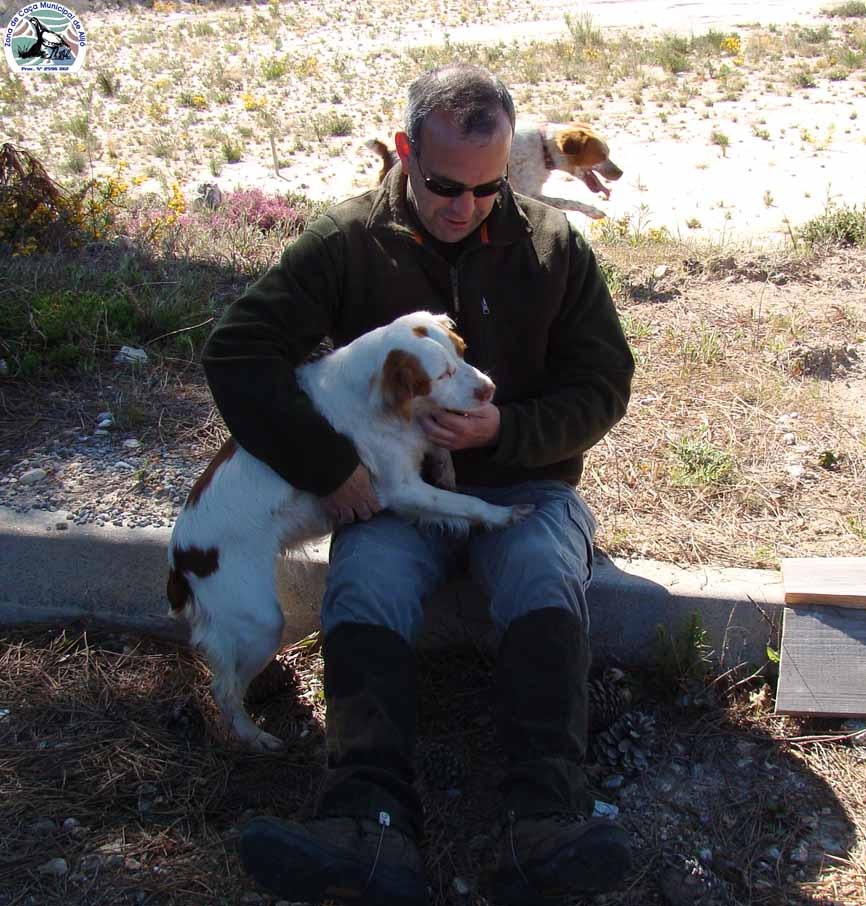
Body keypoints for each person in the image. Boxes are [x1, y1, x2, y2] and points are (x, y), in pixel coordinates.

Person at [202, 63, 635, 906]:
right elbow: (238, 352)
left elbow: (603, 385)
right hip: (394, 494)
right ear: (405, 151)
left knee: (541, 576)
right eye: (443, 186)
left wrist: (506, 430)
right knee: (365, 581)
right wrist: (329, 467)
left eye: (487, 188)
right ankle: (365, 826)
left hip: (525, 487)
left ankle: (545, 823)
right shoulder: (347, 240)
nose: (465, 207)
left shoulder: (553, 246)